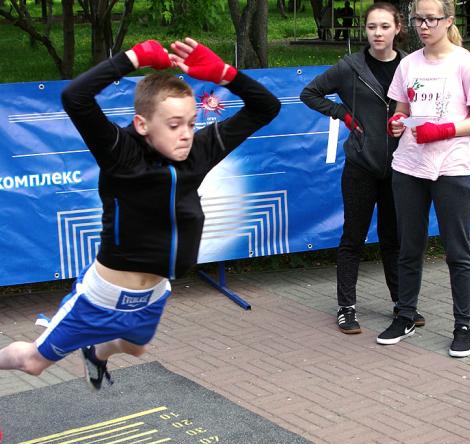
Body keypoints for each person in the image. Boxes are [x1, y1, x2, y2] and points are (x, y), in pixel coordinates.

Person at [0, 38, 280, 390]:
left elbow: (266, 107)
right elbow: (75, 97)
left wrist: (226, 74)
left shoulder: (200, 152)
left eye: (192, 123)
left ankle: (96, 352)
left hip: (154, 293)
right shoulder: (121, 153)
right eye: (174, 124)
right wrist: (131, 59)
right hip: (101, 297)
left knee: (136, 347)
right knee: (32, 363)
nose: (187, 135)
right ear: (143, 124)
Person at [301, 2, 426, 334]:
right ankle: (346, 308)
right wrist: (342, 113)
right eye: (372, 27)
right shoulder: (349, 67)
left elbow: (422, 109)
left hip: (400, 166)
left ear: (398, 28)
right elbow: (309, 92)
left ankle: (403, 306)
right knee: (352, 238)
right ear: (365, 30)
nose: (378, 33)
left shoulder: (411, 66)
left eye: (385, 26)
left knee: (393, 238)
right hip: (361, 165)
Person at [377, 0, 470, 357]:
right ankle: (406, 314)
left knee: (457, 250)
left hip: (452, 168)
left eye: (431, 19)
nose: (424, 26)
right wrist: (396, 124)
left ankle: (463, 326)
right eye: (418, 20)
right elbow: (401, 110)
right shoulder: (408, 64)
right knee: (409, 246)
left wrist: (444, 129)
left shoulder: (465, 63)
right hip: (410, 167)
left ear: (448, 21)